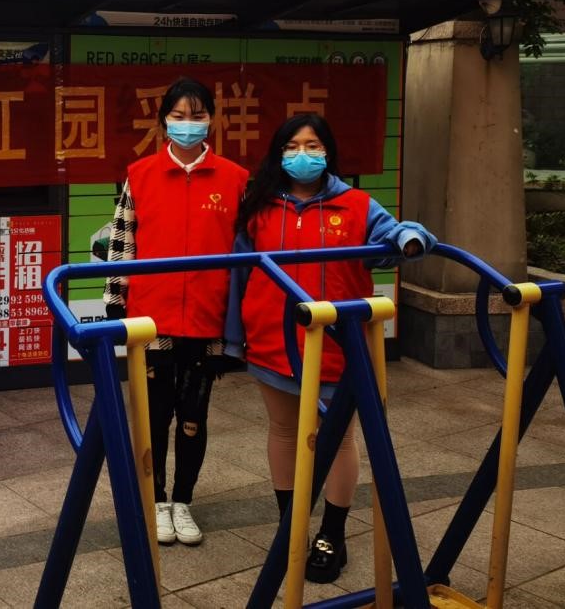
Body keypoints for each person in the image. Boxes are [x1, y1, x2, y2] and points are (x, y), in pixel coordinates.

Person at [224, 113, 434, 583]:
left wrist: (410, 239)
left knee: (337, 439)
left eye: (313, 145)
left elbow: (395, 237)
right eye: (292, 146)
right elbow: (240, 273)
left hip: (340, 346)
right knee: (284, 431)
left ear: (328, 152)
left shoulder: (357, 205)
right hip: (273, 342)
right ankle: (291, 528)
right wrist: (234, 338)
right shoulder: (259, 206)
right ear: (279, 154)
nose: (302, 154)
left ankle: (331, 534)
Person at [103, 78, 249, 546]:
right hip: (151, 321)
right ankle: (157, 499)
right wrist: (116, 313)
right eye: (179, 116)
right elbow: (121, 244)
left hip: (207, 321)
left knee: (193, 416)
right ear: (164, 121)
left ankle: (183, 501)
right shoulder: (140, 175)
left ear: (212, 120)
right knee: (154, 416)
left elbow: (246, 255)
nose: (189, 124)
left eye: (198, 115)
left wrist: (240, 324)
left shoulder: (235, 179)